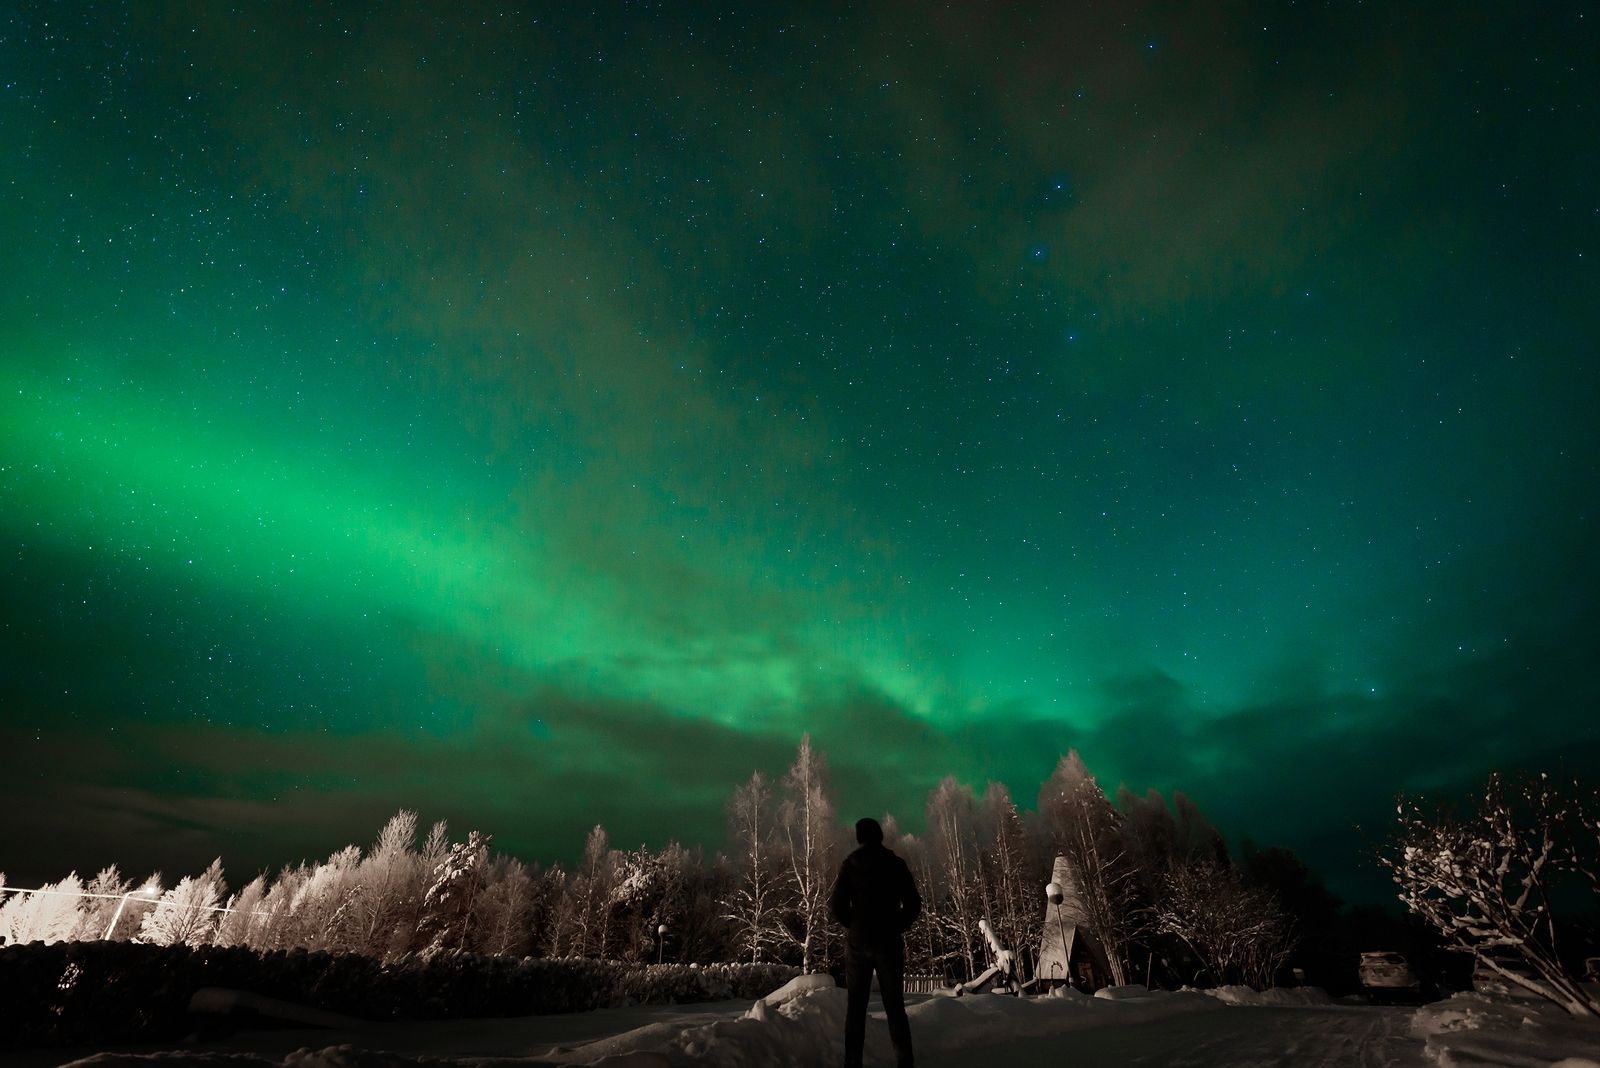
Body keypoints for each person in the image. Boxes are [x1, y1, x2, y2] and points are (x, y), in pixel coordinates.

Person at [830, 816, 921, 1068]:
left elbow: (837, 907)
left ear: (859, 837)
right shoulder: (895, 864)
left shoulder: (850, 864)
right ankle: (905, 1061)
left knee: (856, 1009)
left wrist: (856, 925)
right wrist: (897, 925)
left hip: (858, 945)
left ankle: (852, 1062)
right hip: (888, 942)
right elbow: (914, 904)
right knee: (895, 1007)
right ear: (880, 835)